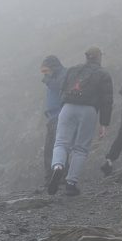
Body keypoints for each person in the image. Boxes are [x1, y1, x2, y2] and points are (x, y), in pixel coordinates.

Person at [48, 46, 113, 196]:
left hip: (68, 107)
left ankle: (58, 166)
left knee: (61, 143)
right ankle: (71, 184)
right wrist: (104, 123)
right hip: (88, 110)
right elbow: (107, 100)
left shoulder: (73, 70)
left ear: (86, 57)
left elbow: (62, 89)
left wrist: (64, 106)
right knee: (81, 148)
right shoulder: (103, 74)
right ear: (99, 57)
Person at [40, 55, 67, 183]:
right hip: (53, 117)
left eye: (46, 70)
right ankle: (52, 177)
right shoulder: (54, 76)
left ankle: (57, 177)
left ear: (53, 67)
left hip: (60, 116)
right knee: (51, 148)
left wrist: (48, 80)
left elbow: (59, 87)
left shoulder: (62, 75)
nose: (44, 74)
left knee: (55, 147)